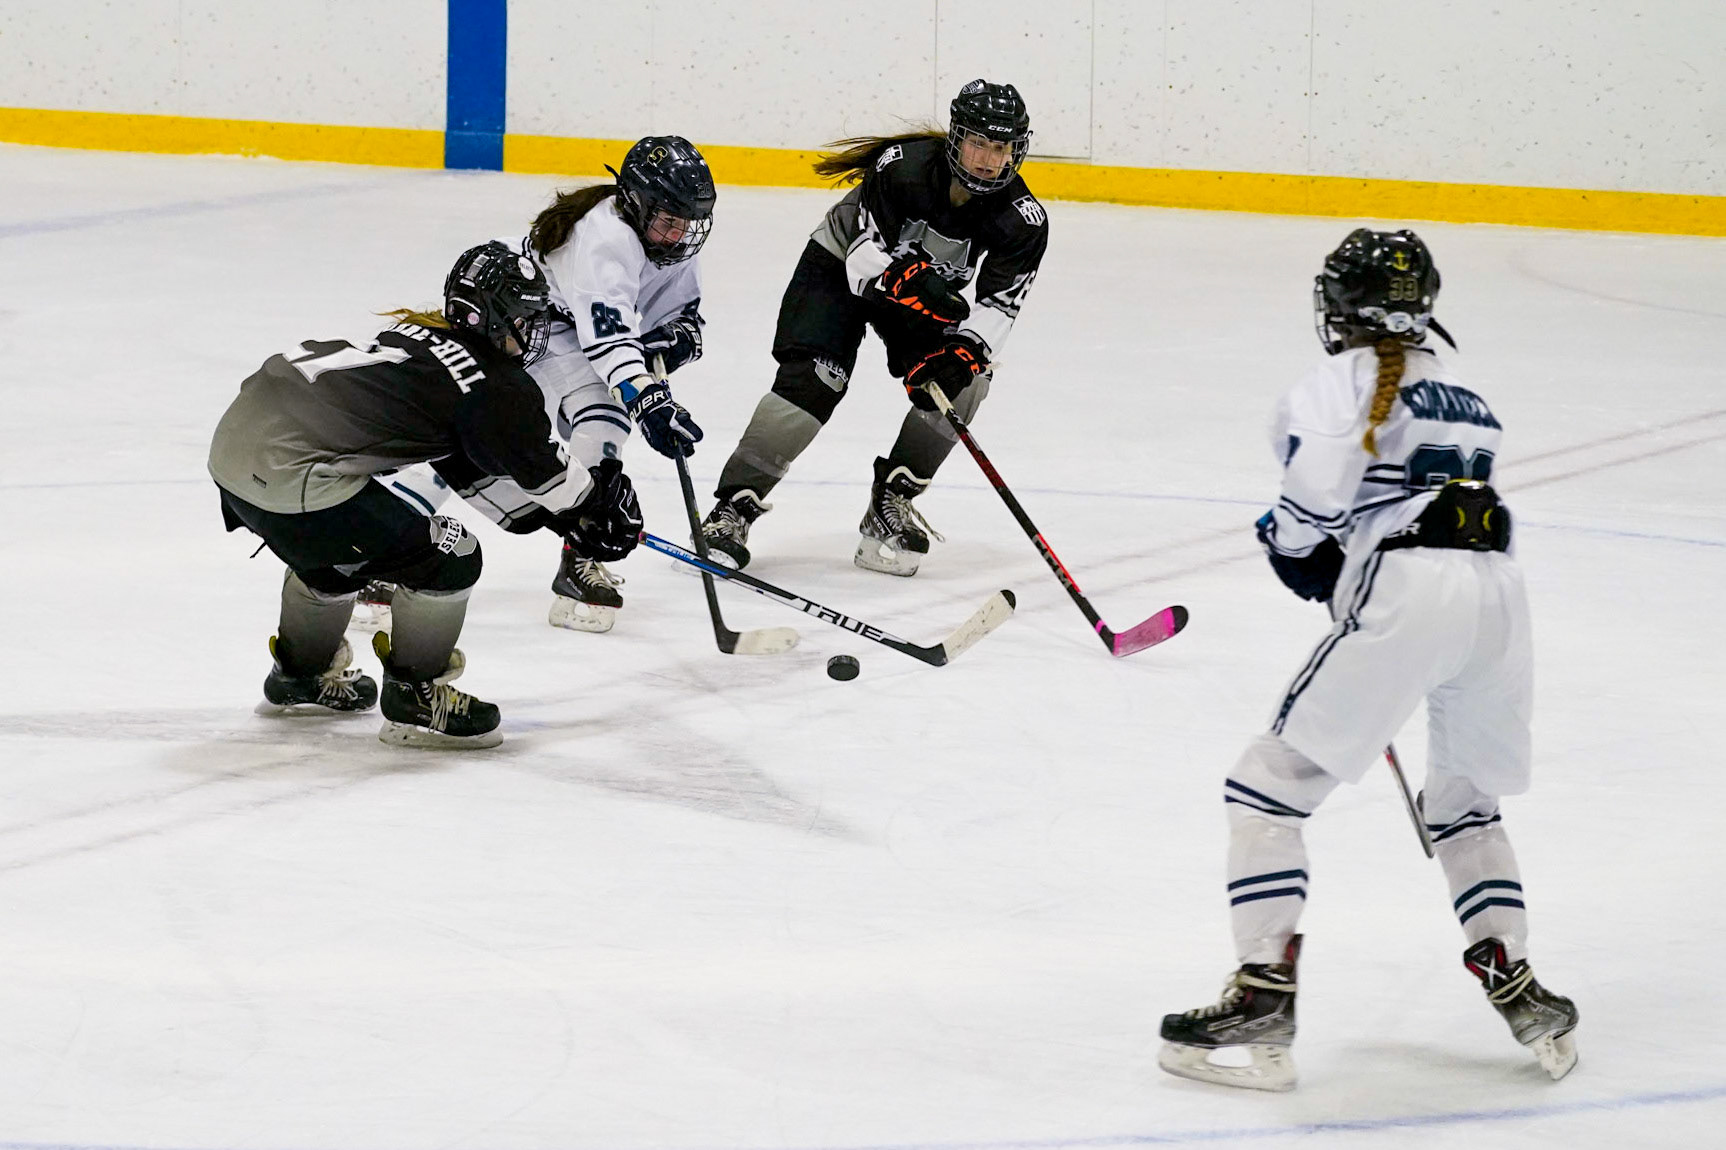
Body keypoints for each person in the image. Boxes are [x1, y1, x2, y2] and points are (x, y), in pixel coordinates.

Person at [1157, 229, 1578, 1091]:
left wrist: (1298, 551)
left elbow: (1312, 506)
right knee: (1465, 807)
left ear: (1337, 307)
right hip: (1498, 597)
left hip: (1410, 593)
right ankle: (1517, 981)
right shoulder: (1467, 393)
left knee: (1264, 790)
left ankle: (1264, 989)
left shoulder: (1336, 382)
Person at [208, 242, 644, 748]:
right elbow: (547, 475)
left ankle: (299, 676)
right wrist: (594, 511)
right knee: (451, 556)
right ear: (497, 319)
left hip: (233, 454)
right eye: (524, 317)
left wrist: (556, 518)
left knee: (333, 555)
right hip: (294, 476)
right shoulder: (495, 386)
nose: (531, 331)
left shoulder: (417, 333)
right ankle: (416, 696)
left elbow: (464, 465)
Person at [698, 79, 1048, 577]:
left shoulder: (1023, 220)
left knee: (965, 383)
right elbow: (863, 264)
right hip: (839, 268)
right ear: (956, 138)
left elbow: (999, 307)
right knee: (814, 381)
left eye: (1001, 147)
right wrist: (917, 284)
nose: (990, 160)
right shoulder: (902, 168)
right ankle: (732, 507)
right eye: (978, 143)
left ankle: (892, 500)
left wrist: (963, 354)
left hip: (917, 293)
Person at [441, 136, 713, 634]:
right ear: (636, 201)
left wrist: (676, 341)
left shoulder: (668, 241)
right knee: (467, 435)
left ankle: (580, 557)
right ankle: (394, 544)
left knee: (606, 428)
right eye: (669, 220)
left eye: (687, 224)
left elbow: (682, 317)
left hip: (576, 338)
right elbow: (607, 341)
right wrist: (650, 397)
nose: (679, 235)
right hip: (528, 335)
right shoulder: (605, 239)